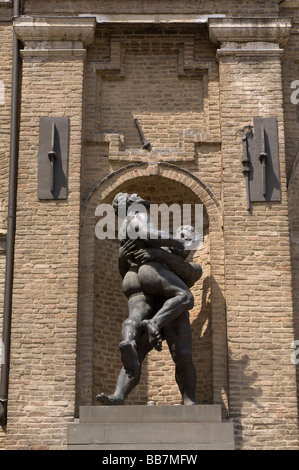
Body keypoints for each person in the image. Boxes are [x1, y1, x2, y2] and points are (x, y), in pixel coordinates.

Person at [113, 193, 201, 378]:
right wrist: (176, 243)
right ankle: (152, 323)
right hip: (149, 281)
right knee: (185, 297)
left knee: (136, 326)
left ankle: (129, 341)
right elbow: (150, 234)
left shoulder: (126, 228)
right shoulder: (140, 217)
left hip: (132, 276)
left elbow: (187, 271)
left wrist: (158, 254)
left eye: (190, 241)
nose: (187, 242)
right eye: (182, 235)